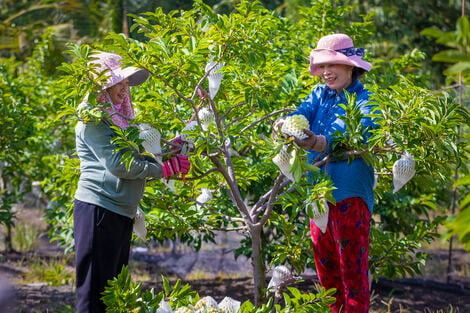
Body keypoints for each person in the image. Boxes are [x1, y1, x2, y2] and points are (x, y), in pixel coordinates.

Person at [73, 51, 190, 313]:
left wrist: (172, 147)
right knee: (94, 294)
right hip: (99, 210)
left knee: (114, 291)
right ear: (102, 85)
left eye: (126, 84)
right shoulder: (93, 119)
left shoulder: (119, 121)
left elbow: (138, 153)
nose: (125, 90)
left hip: (119, 211)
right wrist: (165, 169)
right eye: (119, 83)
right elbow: (119, 164)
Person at [274, 34, 376, 313]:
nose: (327, 72)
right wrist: (286, 124)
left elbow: (362, 130)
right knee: (327, 272)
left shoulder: (366, 99)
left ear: (350, 67)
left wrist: (321, 142)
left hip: (349, 196)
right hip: (317, 196)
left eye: (333, 65)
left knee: (352, 273)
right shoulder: (319, 95)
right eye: (322, 66)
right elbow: (302, 112)